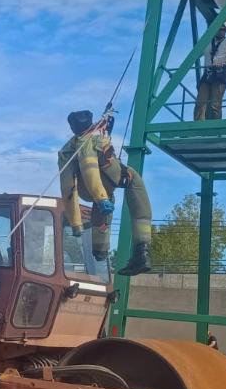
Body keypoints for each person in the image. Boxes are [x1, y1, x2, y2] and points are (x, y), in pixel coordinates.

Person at [58, 109, 154, 276]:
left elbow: (68, 188)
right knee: (134, 184)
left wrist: (76, 223)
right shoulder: (90, 141)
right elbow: (90, 170)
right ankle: (142, 250)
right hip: (108, 180)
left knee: (103, 209)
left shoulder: (67, 150)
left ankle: (100, 253)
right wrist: (101, 198)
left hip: (90, 189)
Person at [194, 20, 226, 120]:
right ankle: (198, 126)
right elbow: (195, 54)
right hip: (208, 72)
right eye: (220, 29)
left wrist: (225, 63)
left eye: (224, 30)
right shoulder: (207, 41)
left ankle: (215, 126)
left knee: (215, 104)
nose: (221, 32)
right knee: (200, 102)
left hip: (220, 73)